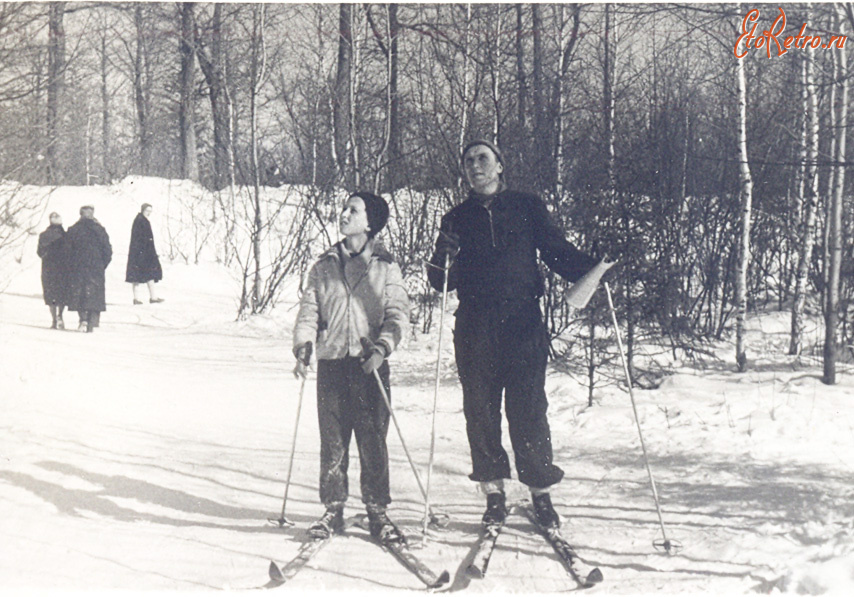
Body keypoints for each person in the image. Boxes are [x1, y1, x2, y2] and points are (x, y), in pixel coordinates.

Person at [427, 139, 600, 531]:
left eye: (483, 158)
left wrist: (594, 267)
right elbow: (441, 283)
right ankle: (493, 494)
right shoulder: (455, 218)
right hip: (475, 325)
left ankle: (540, 493)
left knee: (529, 411)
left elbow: (556, 251)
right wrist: (442, 254)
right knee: (481, 412)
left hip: (522, 322)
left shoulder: (527, 206)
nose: (475, 166)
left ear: (501, 165)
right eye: (469, 161)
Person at [292, 191, 410, 544]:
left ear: (370, 222)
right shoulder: (324, 265)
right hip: (331, 363)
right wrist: (303, 344)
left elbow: (397, 314)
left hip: (367, 364)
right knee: (333, 441)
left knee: (373, 439)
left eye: (353, 210)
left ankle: (377, 510)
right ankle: (333, 508)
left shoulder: (385, 267)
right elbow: (309, 310)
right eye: (344, 208)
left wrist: (383, 348)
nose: (343, 213)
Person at [66, 205, 112, 333]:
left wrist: (71, 265)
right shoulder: (100, 230)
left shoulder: (73, 230)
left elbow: (67, 251)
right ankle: (92, 322)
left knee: (80, 294)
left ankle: (83, 319)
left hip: (78, 267)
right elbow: (107, 250)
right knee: (95, 295)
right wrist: (103, 264)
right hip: (96, 267)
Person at [126, 203, 164, 304]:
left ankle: (150, 297)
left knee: (146, 274)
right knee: (141, 275)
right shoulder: (140, 221)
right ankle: (140, 298)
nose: (149, 213)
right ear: (143, 210)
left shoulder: (142, 220)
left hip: (142, 253)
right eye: (147, 211)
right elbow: (141, 239)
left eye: (150, 211)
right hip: (141, 253)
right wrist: (146, 252)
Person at [36, 212, 69, 329]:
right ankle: (60, 315)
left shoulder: (43, 235)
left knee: (50, 295)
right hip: (63, 268)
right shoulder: (66, 236)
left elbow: (39, 253)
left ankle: (54, 319)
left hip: (48, 268)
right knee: (62, 294)